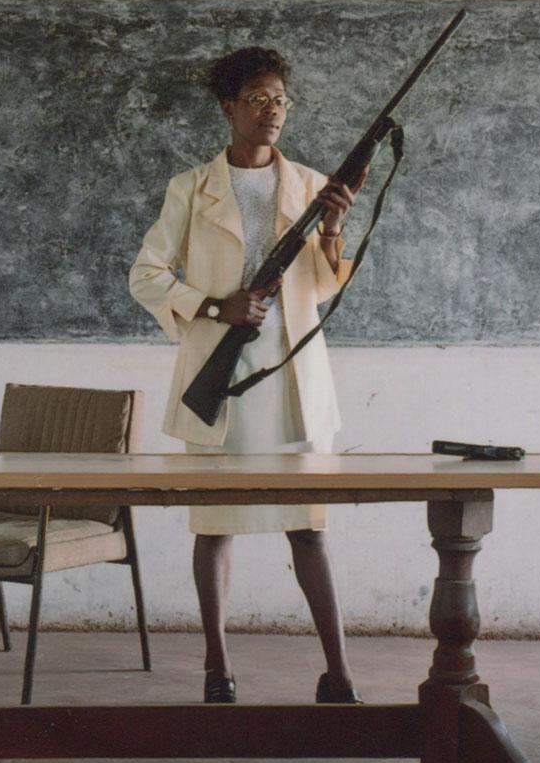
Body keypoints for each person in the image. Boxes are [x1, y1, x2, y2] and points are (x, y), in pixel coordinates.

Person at [129, 46, 367, 706]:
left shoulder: (312, 185)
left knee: (310, 530)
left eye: (280, 101)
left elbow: (317, 291)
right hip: (222, 375)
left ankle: (340, 673)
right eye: (257, 100)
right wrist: (215, 306)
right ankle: (216, 667)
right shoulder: (190, 187)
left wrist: (332, 232)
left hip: (292, 379)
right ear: (229, 108)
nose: (272, 113)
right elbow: (146, 275)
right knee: (214, 526)